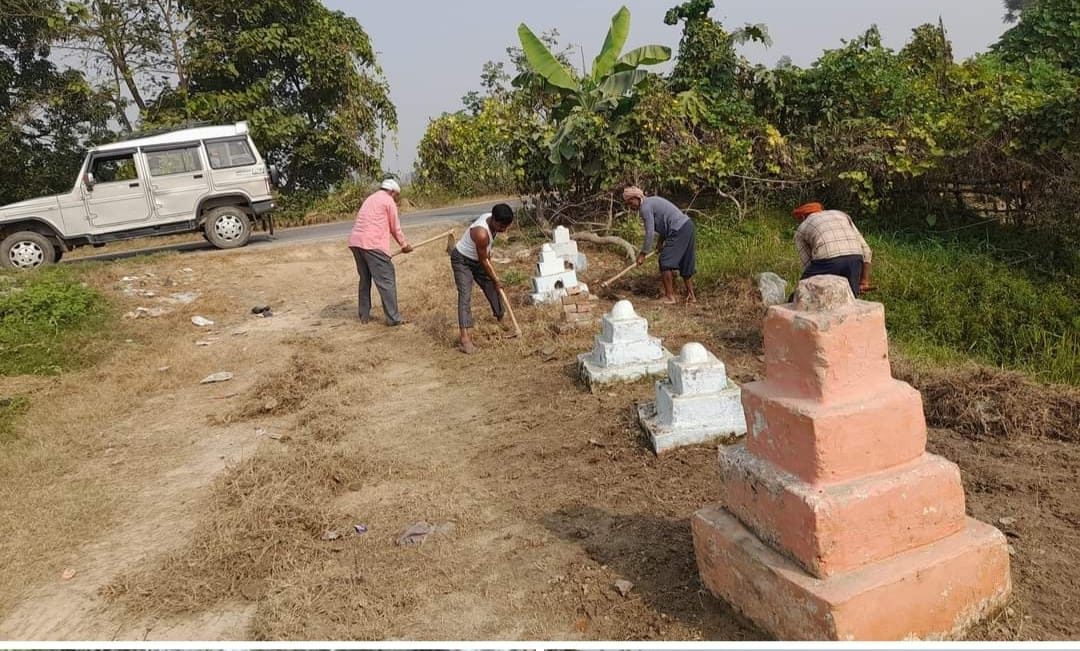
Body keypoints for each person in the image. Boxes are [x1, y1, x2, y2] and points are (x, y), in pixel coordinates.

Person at [451, 203, 514, 354]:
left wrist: (494, 280)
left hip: (478, 259)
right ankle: (465, 339)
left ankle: (501, 319)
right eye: (502, 226)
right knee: (465, 295)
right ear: (494, 220)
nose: (504, 230)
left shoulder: (492, 220)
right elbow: (484, 260)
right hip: (462, 260)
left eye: (507, 226)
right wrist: (496, 278)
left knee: (493, 288)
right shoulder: (481, 233)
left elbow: (486, 253)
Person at [347, 178, 412, 325]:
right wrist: (404, 245)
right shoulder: (388, 201)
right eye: (396, 195)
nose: (396, 198)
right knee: (386, 281)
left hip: (356, 243)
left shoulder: (370, 199)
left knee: (365, 279)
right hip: (373, 245)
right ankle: (393, 319)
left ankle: (364, 315)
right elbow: (395, 228)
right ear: (392, 191)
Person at [622, 186, 697, 304]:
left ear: (637, 197)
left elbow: (650, 233)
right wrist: (660, 243)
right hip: (687, 226)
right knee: (685, 262)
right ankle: (691, 296)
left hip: (678, 230)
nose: (630, 207)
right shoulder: (651, 202)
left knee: (665, 261)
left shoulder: (645, 208)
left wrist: (643, 254)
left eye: (630, 202)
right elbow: (664, 224)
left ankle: (669, 297)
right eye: (627, 204)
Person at [792, 202, 873, 297]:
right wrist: (864, 281)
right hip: (855, 258)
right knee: (849, 299)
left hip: (827, 259)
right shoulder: (841, 215)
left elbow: (808, 264)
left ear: (802, 217)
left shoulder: (802, 228)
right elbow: (866, 251)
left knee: (801, 295)